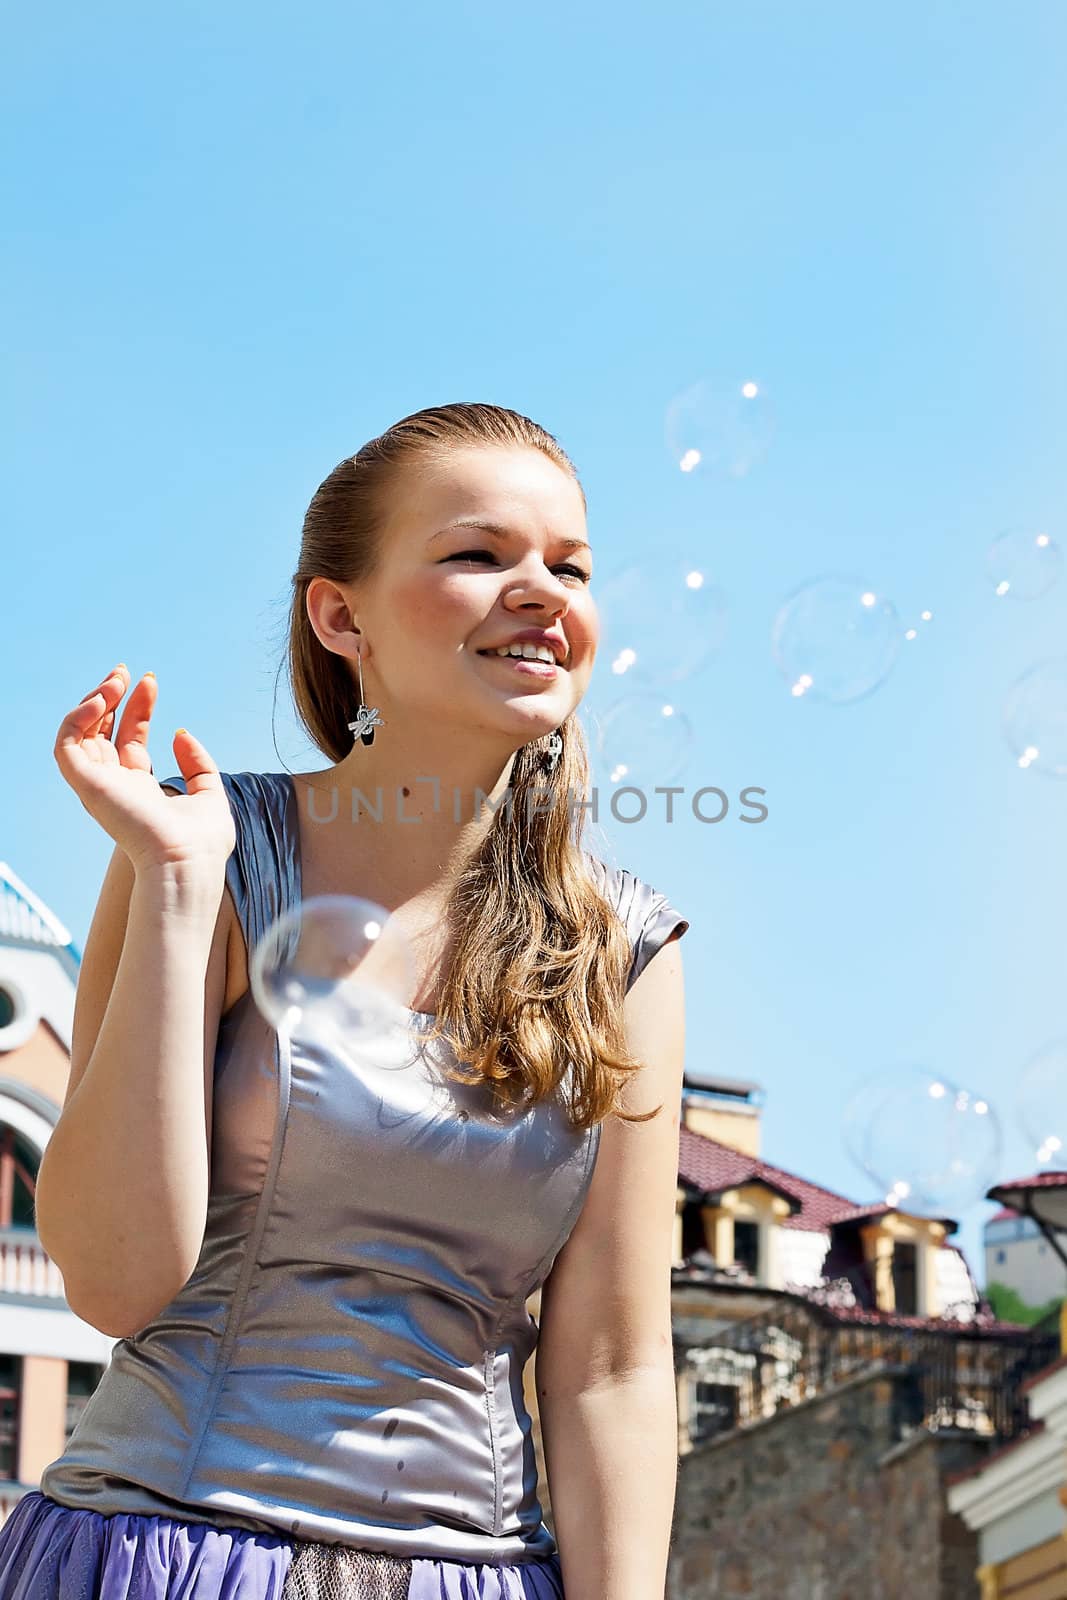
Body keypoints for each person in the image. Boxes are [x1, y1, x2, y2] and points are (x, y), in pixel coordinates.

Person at [6, 404, 689, 1599]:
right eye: (479, 554)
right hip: (161, 1555)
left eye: (569, 565)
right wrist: (174, 887)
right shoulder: (206, 849)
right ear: (341, 616)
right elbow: (115, 1285)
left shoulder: (622, 946)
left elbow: (611, 1370)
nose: (540, 590)